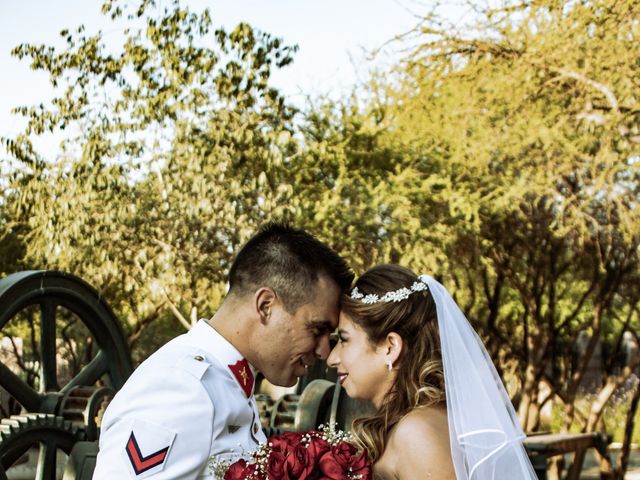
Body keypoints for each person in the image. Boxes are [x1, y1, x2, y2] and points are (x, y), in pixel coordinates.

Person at [93, 223, 353, 479]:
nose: (324, 352)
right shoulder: (182, 386)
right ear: (265, 306)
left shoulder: (228, 379)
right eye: (317, 329)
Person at [327, 264, 537, 480]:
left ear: (390, 347)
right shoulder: (416, 422)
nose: (332, 358)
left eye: (344, 340)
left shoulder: (416, 433)